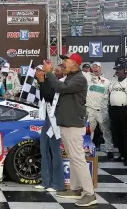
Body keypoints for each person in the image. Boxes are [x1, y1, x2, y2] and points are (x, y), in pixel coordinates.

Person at [40, 54, 97, 207]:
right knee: (73, 158)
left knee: (78, 159)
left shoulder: (79, 79)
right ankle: (75, 189)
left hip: (73, 125)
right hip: (66, 123)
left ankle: (90, 193)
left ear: (75, 63)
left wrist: (50, 72)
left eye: (66, 61)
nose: (63, 63)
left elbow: (59, 88)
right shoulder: (70, 77)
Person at [34, 66, 65, 193]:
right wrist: (41, 82)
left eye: (58, 70)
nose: (56, 72)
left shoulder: (62, 82)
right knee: (44, 149)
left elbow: (49, 96)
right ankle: (46, 181)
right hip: (47, 117)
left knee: (55, 151)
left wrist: (42, 81)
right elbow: (44, 96)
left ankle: (58, 183)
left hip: (55, 119)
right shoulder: (47, 82)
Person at [108, 58, 127, 166]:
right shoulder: (112, 83)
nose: (117, 71)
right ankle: (122, 154)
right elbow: (109, 96)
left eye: (120, 69)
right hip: (114, 111)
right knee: (117, 135)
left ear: (125, 70)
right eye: (116, 69)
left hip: (126, 110)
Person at [84, 62, 113, 159]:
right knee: (89, 131)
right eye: (93, 67)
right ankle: (87, 150)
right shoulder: (88, 78)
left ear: (100, 68)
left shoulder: (107, 81)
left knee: (106, 131)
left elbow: (112, 93)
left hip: (102, 110)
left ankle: (109, 150)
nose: (95, 69)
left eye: (97, 67)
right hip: (90, 109)